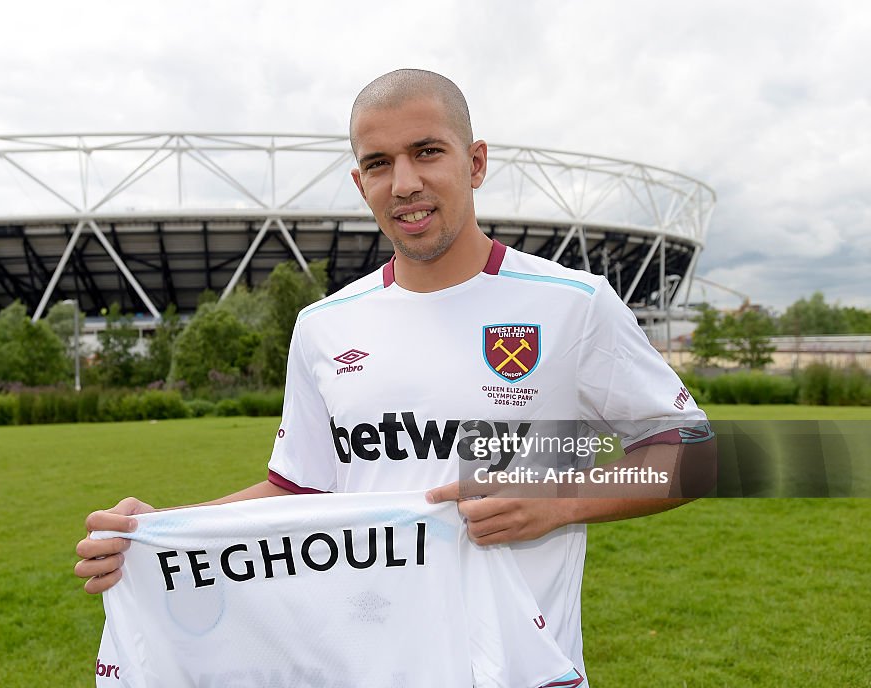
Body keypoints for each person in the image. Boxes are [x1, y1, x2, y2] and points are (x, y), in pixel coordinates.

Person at [75, 69, 716, 680]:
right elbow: (300, 490)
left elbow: (695, 452)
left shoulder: (572, 303)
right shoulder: (325, 325)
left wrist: (559, 501)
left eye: (427, 151)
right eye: (378, 163)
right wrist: (157, 533)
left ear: (476, 163)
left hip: (515, 669)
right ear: (360, 182)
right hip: (364, 663)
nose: (403, 182)